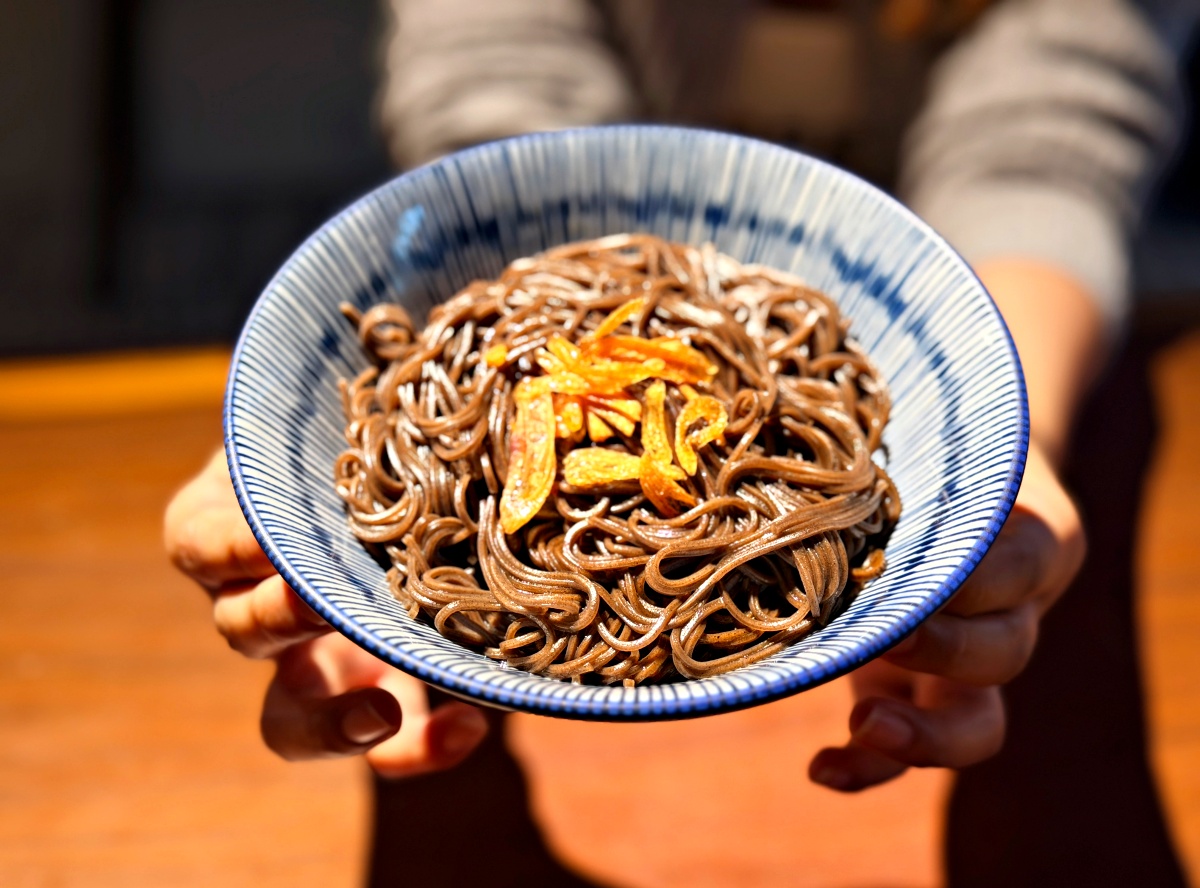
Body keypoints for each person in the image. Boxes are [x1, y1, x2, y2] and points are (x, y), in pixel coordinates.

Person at [165, 0, 1195, 821]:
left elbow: (1048, 140)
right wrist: (337, 555)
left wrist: (1016, 441)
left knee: (1066, 786)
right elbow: (495, 71)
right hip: (582, 297)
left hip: (1000, 304)